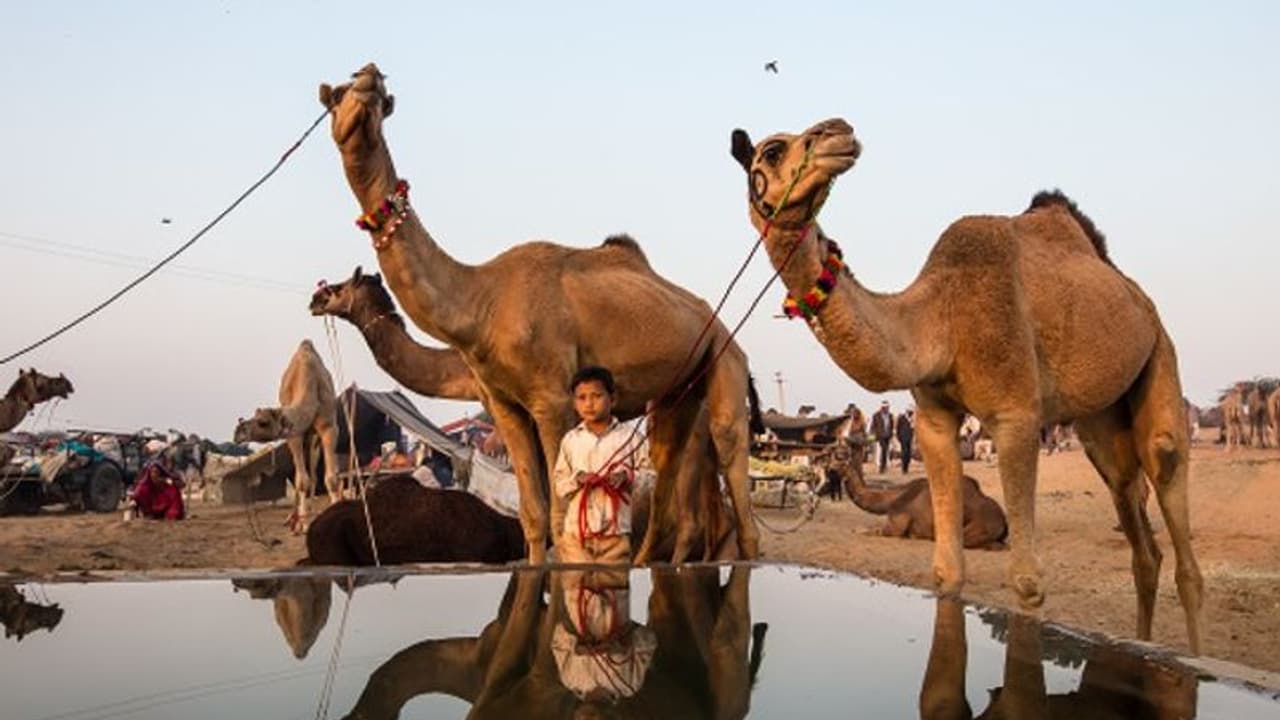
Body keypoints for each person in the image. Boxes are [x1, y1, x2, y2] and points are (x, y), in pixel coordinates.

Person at [552, 366, 642, 565]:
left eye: (596, 396)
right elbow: (559, 483)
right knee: (576, 590)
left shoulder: (631, 438)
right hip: (576, 535)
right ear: (574, 403)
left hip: (616, 535)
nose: (589, 404)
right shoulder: (570, 440)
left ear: (613, 399)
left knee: (614, 590)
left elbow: (651, 477)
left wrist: (627, 477)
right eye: (582, 398)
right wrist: (578, 479)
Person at [129, 455, 185, 520]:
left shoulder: (169, 477)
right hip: (150, 510)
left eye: (156, 472)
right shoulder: (144, 485)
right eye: (152, 472)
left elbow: (180, 485)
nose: (154, 475)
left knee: (173, 492)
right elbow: (137, 494)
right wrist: (134, 500)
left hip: (164, 508)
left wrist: (168, 481)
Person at [870, 401, 894, 474]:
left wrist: (891, 434)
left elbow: (891, 425)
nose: (887, 409)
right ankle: (882, 467)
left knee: (885, 450)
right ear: (882, 408)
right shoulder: (876, 415)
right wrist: (872, 435)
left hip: (887, 436)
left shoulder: (890, 415)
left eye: (888, 407)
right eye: (885, 408)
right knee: (883, 450)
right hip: (880, 436)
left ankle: (884, 466)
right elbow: (873, 426)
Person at [896, 408, 916, 474]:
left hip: (910, 438)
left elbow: (913, 429)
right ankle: (904, 468)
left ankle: (906, 467)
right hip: (903, 438)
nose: (911, 413)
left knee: (908, 453)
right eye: (910, 412)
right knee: (904, 452)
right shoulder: (901, 418)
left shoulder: (912, 419)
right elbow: (898, 428)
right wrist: (899, 437)